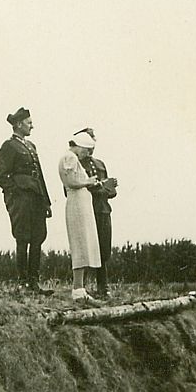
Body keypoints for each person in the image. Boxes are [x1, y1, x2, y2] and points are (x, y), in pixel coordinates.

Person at [0, 107, 54, 295]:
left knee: (38, 237)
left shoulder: (31, 146)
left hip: (36, 197)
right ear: (19, 124)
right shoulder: (9, 146)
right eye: (29, 123)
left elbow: (40, 175)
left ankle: (34, 282)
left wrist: (46, 201)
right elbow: (1, 176)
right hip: (21, 200)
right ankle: (23, 283)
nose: (32, 126)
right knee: (23, 237)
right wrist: (17, 192)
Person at [58, 132, 102, 302]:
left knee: (84, 244)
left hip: (82, 204)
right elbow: (70, 182)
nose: (87, 154)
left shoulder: (72, 158)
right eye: (86, 150)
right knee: (79, 243)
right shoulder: (69, 157)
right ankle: (77, 289)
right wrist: (88, 182)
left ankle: (80, 288)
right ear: (79, 146)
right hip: (77, 204)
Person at [75, 128, 118, 298]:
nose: (92, 146)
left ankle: (103, 286)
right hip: (87, 210)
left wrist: (107, 188)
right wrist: (102, 187)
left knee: (104, 248)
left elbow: (111, 192)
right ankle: (82, 287)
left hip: (103, 210)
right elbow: (73, 189)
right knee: (85, 248)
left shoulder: (100, 164)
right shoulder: (76, 164)